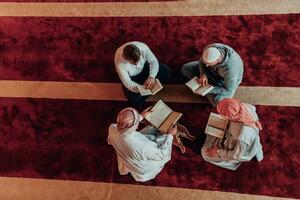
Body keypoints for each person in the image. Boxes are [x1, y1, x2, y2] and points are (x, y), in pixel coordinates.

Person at [107, 107, 177, 182]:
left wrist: (140, 116)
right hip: (141, 166)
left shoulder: (112, 128)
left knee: (151, 131)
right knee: (161, 139)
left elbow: (125, 125)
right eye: (137, 123)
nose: (138, 125)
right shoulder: (141, 147)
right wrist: (170, 135)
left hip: (128, 152)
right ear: (134, 125)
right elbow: (162, 154)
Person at [201, 98, 263, 170]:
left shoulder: (242, 136)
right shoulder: (244, 107)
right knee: (212, 131)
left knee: (205, 153)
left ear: (229, 116)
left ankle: (232, 164)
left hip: (237, 150)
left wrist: (218, 152)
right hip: (232, 137)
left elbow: (237, 155)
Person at [115, 41, 171, 109]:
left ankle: (146, 92)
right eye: (133, 63)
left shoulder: (143, 47)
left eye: (138, 60)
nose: (136, 64)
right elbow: (127, 82)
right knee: (133, 100)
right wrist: (140, 89)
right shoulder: (119, 63)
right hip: (133, 77)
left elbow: (153, 61)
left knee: (166, 71)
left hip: (144, 67)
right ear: (125, 58)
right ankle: (146, 92)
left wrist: (152, 76)